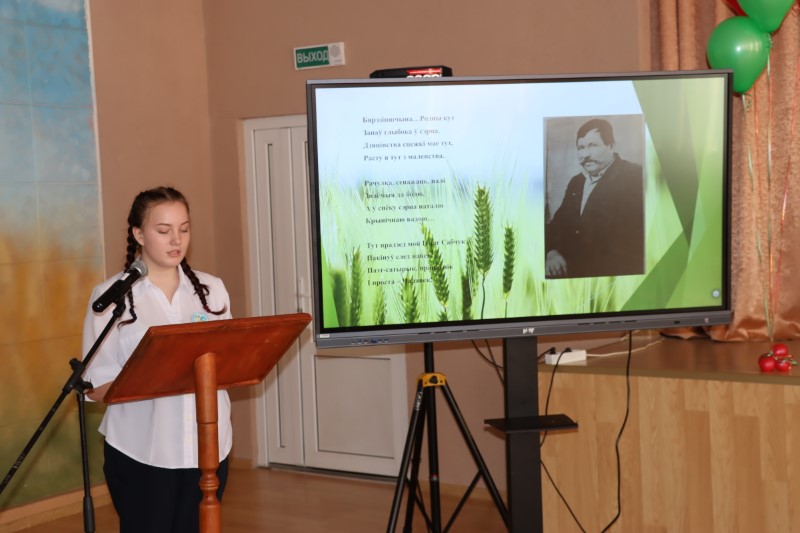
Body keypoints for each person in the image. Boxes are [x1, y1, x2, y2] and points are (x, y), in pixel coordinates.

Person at [82, 186, 232, 533]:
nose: (176, 240)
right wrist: (153, 376)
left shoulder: (212, 290)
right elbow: (96, 384)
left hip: (208, 448)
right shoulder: (110, 298)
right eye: (163, 230)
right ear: (139, 234)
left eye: (184, 228)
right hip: (142, 450)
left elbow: (230, 362)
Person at [545, 118, 644, 278]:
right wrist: (551, 253)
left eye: (592, 145)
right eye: (581, 147)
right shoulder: (577, 182)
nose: (585, 154)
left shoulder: (635, 176)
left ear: (611, 146)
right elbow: (558, 226)